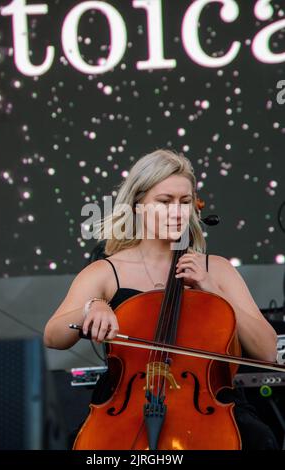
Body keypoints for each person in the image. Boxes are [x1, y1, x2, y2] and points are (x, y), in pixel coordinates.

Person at [44, 149, 279, 449]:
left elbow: (267, 351)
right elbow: (53, 336)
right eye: (164, 202)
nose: (177, 212)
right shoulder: (106, 272)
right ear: (138, 205)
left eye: (184, 203)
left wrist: (213, 291)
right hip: (128, 404)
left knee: (260, 440)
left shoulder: (215, 269)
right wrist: (93, 307)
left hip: (207, 402)